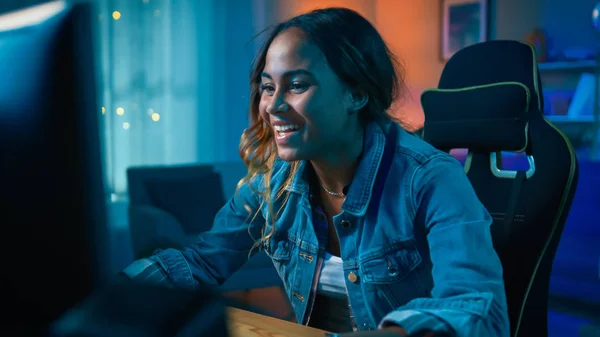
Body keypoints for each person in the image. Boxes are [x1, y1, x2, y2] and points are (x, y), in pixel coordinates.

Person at [122, 7, 510, 337]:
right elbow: (203, 262)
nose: (272, 106)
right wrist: (112, 289)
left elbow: (478, 310)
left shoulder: (431, 178)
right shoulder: (275, 183)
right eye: (268, 87)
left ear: (356, 93)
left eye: (297, 85)